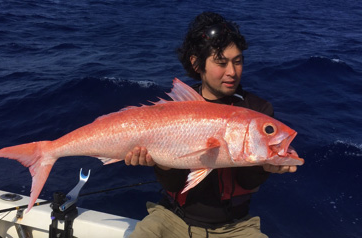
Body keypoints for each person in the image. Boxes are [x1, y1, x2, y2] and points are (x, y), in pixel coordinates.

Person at [125, 12, 298, 238]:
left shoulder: (258, 110)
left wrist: (265, 166)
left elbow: (246, 182)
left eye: (237, 61)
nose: (232, 72)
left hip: (236, 227)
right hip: (171, 218)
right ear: (197, 64)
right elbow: (175, 185)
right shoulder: (176, 108)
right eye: (221, 62)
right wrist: (161, 164)